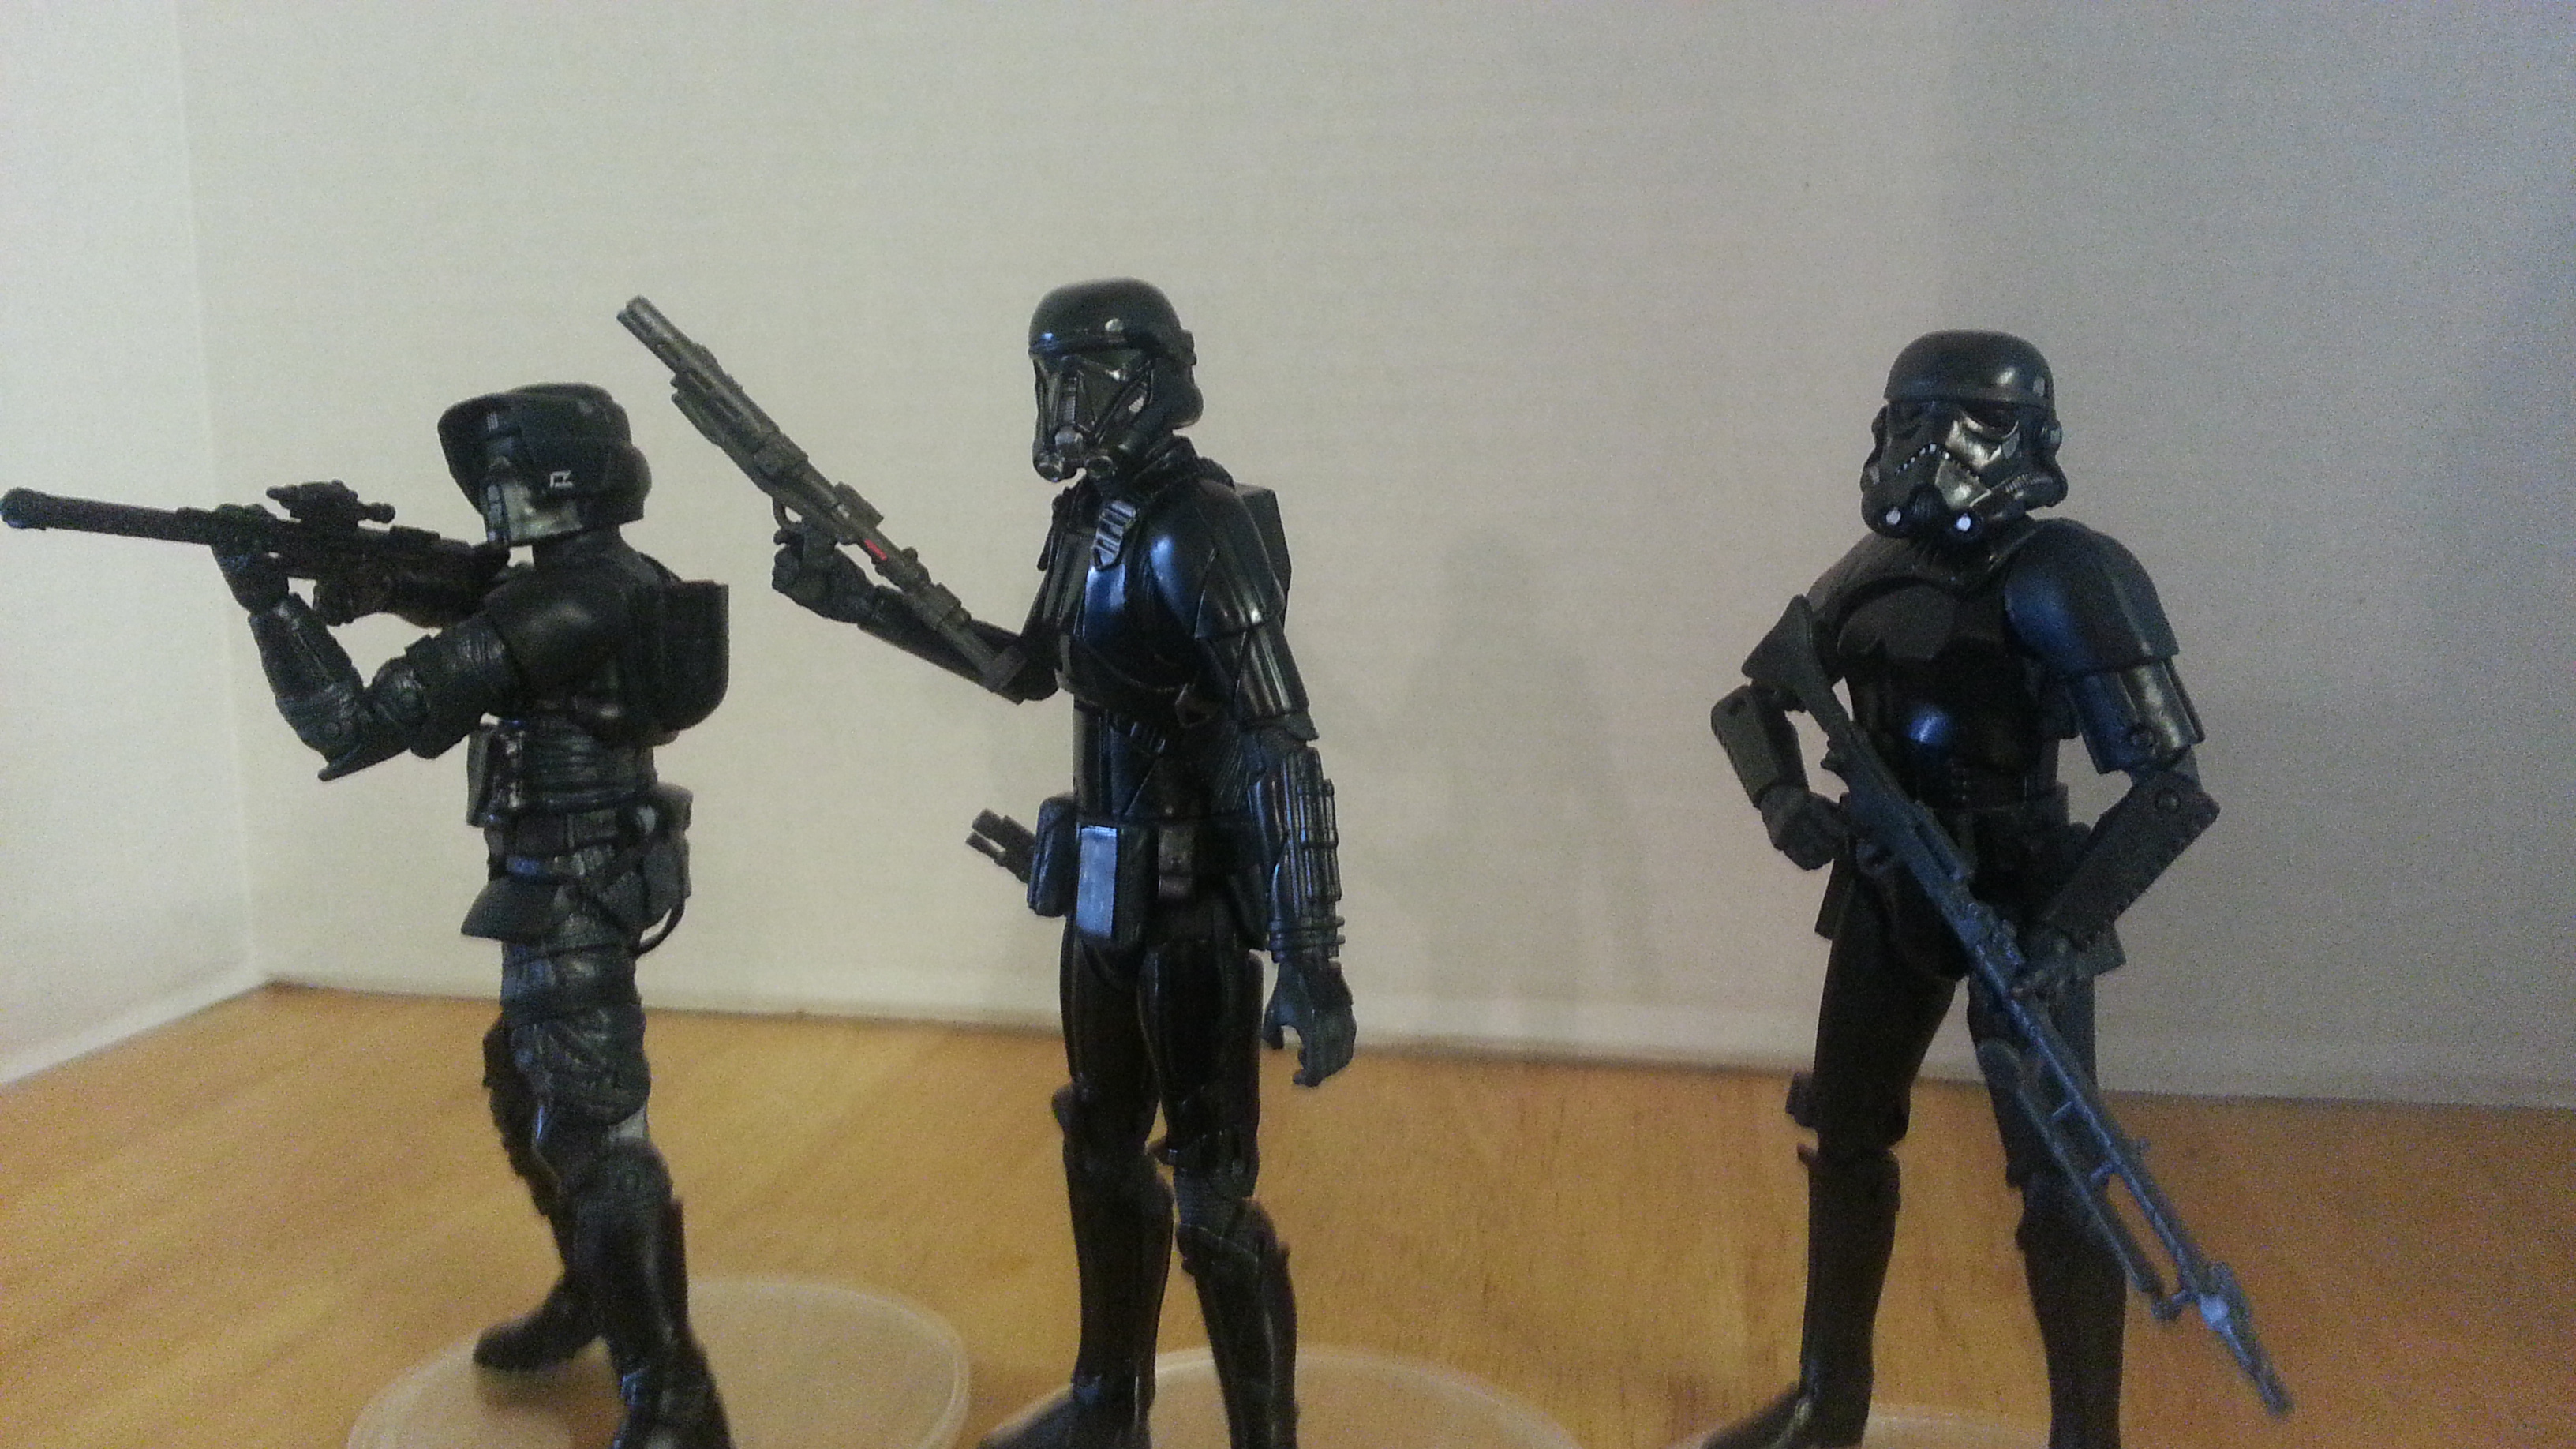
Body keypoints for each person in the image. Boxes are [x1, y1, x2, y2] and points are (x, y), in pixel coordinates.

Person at [773, 279, 1354, 1449]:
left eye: (1076, 374)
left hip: (1190, 909)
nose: (1058, 402)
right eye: (1048, 377)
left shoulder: (1199, 525)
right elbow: (1028, 669)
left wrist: (1310, 955)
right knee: (1097, 1143)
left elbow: (1279, 741)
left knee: (1212, 1198)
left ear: (1146, 377)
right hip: (1099, 889)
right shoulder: (1092, 517)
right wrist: (863, 606)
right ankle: (1107, 1404)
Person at [1707, 332, 2215, 1449]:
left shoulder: (2068, 573)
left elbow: (2170, 788)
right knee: (1847, 1135)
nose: (1927, 445)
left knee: (2062, 1179)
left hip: (2023, 900)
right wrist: (1786, 803)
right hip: (1890, 888)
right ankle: (1827, 1399)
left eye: (1961, 421)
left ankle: (2087, 1436)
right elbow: (1752, 701)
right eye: (1909, 418)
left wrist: (2061, 932)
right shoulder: (1874, 569)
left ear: (2031, 441)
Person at [216, 384, 731, 1449]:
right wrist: (361, 566)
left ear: (568, 480)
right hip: (577, 868)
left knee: (591, 1126)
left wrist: (272, 604)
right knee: (526, 1079)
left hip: (574, 879)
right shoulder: (587, 579)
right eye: (484, 476)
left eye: (510, 474)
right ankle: (595, 1293)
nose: (493, 495)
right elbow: (469, 591)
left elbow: (352, 725)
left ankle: (672, 1392)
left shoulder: (570, 604)